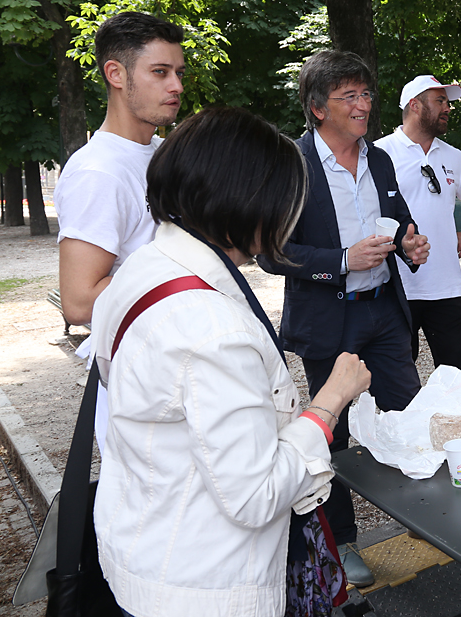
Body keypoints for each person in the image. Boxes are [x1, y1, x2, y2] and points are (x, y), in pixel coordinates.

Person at [90, 106, 372, 617]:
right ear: (250, 204)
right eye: (288, 203)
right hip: (203, 587)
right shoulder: (211, 329)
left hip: (144, 541)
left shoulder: (141, 270)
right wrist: (332, 399)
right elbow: (256, 494)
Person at [258, 50, 430, 587]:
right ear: (317, 108)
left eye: (365, 94)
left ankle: (425, 518)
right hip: (330, 323)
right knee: (328, 437)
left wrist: (410, 243)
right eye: (348, 97)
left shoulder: (378, 159)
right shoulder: (292, 164)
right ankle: (342, 544)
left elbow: (397, 222)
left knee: (410, 417)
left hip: (383, 312)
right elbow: (270, 253)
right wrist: (340, 261)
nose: (363, 106)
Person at [53, 11, 185, 445]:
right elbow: (78, 301)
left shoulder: (164, 153)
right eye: (160, 73)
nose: (177, 87)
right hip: (142, 380)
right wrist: (189, 282)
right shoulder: (98, 172)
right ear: (116, 74)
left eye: (178, 73)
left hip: (182, 361)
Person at [375, 75, 461, 371]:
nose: (447, 108)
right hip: (395, 288)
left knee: (457, 374)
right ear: (414, 106)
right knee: (396, 376)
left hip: (445, 287)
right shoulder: (377, 154)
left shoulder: (454, 156)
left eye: (447, 101)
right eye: (440, 101)